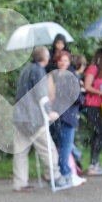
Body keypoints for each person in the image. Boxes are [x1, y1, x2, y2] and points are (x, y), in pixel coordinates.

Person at [13, 46, 68, 192]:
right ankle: (54, 177)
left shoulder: (25, 70)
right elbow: (41, 95)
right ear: (45, 58)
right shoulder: (39, 71)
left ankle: (20, 182)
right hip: (34, 118)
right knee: (49, 150)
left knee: (20, 152)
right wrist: (49, 112)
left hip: (20, 116)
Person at [48, 51, 85, 187]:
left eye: (65, 60)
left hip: (57, 114)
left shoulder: (54, 75)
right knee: (65, 147)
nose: (63, 63)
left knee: (61, 147)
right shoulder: (71, 76)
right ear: (57, 61)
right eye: (61, 60)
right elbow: (77, 98)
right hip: (67, 116)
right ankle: (65, 174)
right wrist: (81, 95)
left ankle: (62, 174)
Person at [83, 48, 102, 176]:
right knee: (100, 132)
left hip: (101, 106)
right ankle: (93, 164)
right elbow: (87, 86)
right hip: (91, 105)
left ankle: (94, 163)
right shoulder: (93, 68)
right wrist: (100, 92)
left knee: (99, 133)